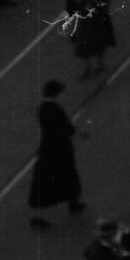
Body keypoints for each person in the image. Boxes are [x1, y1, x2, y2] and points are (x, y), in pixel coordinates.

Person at [28, 81, 85, 225]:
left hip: (48, 146)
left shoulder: (42, 107)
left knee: (45, 179)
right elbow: (64, 127)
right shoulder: (55, 109)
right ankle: (72, 202)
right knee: (68, 174)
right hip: (60, 148)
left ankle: (40, 214)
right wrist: (77, 132)